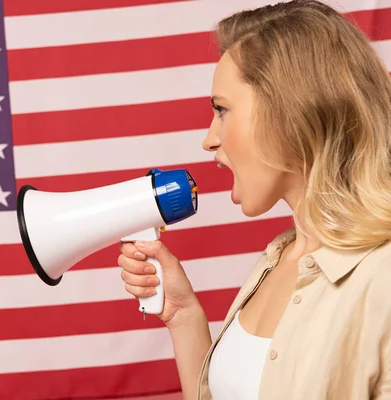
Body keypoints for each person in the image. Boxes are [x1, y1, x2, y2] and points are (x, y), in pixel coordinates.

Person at [118, 1, 391, 399]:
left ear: (290, 110)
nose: (209, 138)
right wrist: (183, 315)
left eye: (222, 110)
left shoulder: (381, 278)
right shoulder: (276, 260)